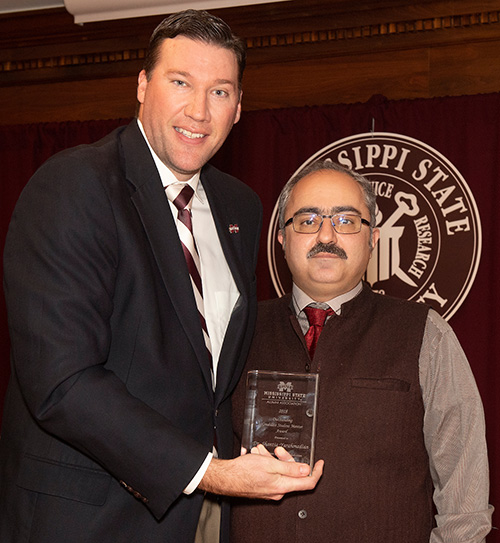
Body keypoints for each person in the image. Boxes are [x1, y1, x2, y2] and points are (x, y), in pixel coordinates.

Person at [0, 10, 323, 543]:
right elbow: (62, 381)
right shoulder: (74, 186)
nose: (199, 111)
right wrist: (209, 472)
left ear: (239, 108)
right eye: (181, 83)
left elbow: (208, 379)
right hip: (86, 522)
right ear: (143, 85)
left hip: (201, 521)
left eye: (220, 92)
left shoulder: (239, 205)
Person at [230, 160, 493, 543]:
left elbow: (463, 498)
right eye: (307, 220)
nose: (326, 235)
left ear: (373, 239)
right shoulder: (236, 331)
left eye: (346, 220)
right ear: (282, 240)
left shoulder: (426, 334)